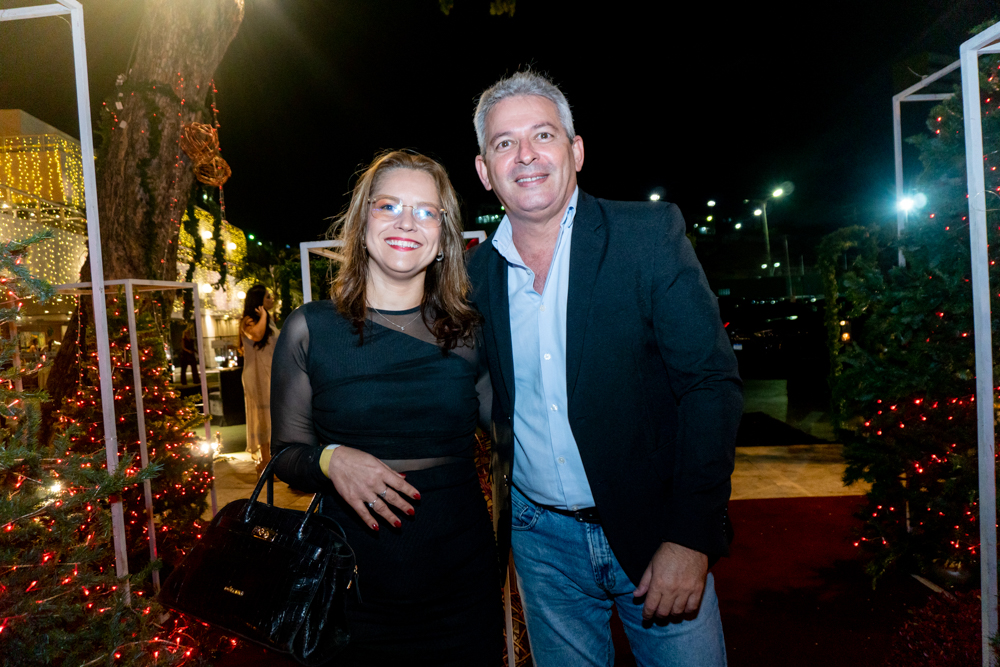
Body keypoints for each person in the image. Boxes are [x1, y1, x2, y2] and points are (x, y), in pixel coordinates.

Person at [467, 70, 743, 667]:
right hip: (540, 545)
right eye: (505, 143)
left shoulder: (647, 236)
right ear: (486, 171)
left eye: (543, 134)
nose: (526, 155)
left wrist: (691, 535)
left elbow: (710, 385)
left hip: (657, 532)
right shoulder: (473, 277)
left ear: (576, 151)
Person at [270, 150, 501, 666]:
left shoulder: (470, 333)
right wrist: (330, 459)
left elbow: (515, 434)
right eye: (389, 206)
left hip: (462, 585)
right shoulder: (310, 329)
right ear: (362, 223)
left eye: (425, 211)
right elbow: (285, 455)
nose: (406, 223)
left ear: (443, 236)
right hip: (351, 588)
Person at [239, 285, 278, 475]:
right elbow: (257, 335)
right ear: (259, 301)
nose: (272, 299)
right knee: (263, 417)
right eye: (268, 297)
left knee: (272, 417)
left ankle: (270, 461)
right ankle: (265, 462)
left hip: (270, 373)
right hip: (257, 376)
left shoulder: (269, 321)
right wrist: (262, 315)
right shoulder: (248, 321)